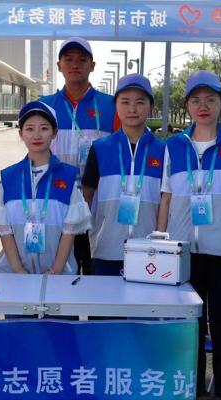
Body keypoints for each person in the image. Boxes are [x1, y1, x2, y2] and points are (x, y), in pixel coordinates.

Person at [156, 70, 221, 398]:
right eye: (196, 100)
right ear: (187, 105)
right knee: (190, 330)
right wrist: (161, 245)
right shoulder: (174, 145)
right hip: (184, 254)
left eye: (210, 99)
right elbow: (166, 198)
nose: (203, 106)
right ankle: (194, 390)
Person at [39, 36, 120, 276]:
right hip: (57, 202)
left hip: (97, 205)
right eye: (69, 59)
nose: (75, 64)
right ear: (59, 66)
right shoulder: (45, 106)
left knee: (94, 272)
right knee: (61, 272)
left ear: (92, 65)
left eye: (82, 60)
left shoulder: (111, 106)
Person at [0, 101, 91, 275]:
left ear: (55, 133)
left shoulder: (68, 176)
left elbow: (70, 230)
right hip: (13, 276)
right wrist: (18, 270)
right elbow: (4, 229)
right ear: (21, 133)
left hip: (58, 277)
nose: (36, 135)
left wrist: (56, 270)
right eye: (29, 129)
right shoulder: (8, 177)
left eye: (44, 128)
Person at [81, 74, 165, 275]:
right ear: (116, 106)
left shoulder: (163, 150)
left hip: (150, 251)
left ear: (150, 106)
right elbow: (87, 196)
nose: (132, 109)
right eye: (125, 102)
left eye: (140, 102)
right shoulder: (100, 148)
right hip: (106, 250)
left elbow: (166, 200)